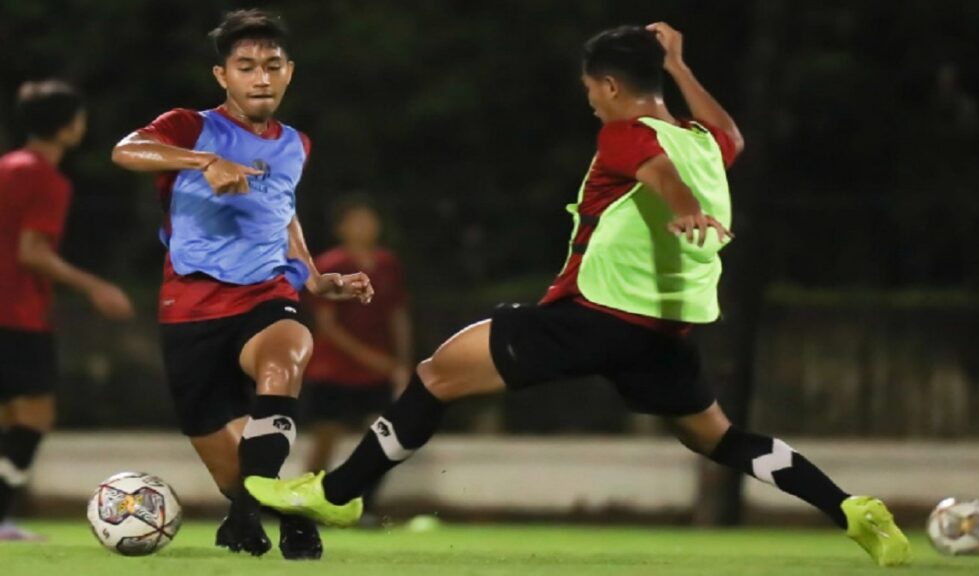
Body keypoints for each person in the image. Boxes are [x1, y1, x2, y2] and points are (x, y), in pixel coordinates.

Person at [246, 23, 911, 567]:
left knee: (435, 373)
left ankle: (338, 494)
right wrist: (679, 64)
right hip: (662, 335)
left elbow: (655, 175)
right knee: (720, 438)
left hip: (593, 315)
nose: (591, 99)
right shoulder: (705, 142)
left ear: (611, 85)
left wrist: (680, 206)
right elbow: (730, 134)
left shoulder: (626, 135)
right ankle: (850, 509)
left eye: (593, 88)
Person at [110, 9, 373, 560]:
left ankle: (260, 514)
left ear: (289, 72)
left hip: (267, 292)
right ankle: (272, 513)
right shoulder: (190, 126)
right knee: (227, 464)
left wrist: (317, 278)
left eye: (272, 66)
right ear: (222, 76)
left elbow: (284, 210)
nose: (261, 77)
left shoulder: (296, 144)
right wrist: (203, 160)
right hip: (190, 304)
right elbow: (126, 150)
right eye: (247, 66)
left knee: (285, 360)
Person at [0, 80, 134, 540]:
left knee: (11, 417)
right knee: (34, 417)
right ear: (68, 126)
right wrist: (95, 286)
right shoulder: (44, 177)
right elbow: (32, 252)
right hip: (16, 313)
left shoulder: (6, 167)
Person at [303, 196, 412, 522]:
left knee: (387, 438)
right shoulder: (329, 264)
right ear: (341, 228)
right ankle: (308, 504)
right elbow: (327, 326)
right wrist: (373, 359)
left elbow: (398, 313)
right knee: (325, 437)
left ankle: (364, 505)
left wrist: (401, 363)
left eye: (369, 219)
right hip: (333, 369)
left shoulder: (388, 263)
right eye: (357, 220)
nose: (365, 227)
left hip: (378, 372)